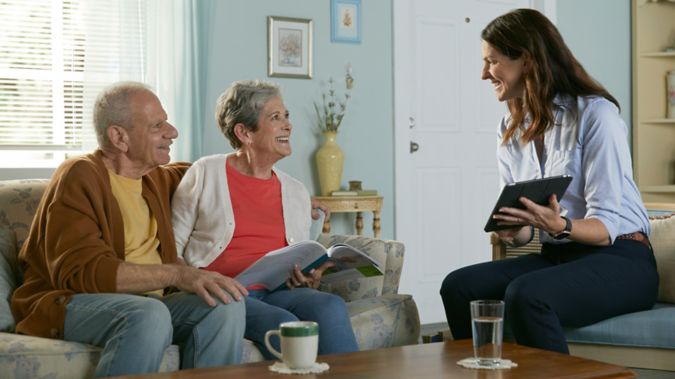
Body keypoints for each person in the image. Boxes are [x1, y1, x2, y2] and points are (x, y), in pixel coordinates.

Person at [439, 9, 658, 354]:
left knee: (528, 294)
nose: (484, 73)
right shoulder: (508, 130)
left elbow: (605, 228)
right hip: (560, 257)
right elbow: (529, 229)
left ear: (526, 60)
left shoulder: (596, 115)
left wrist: (559, 224)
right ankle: (487, 371)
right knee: (459, 286)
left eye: (492, 61)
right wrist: (515, 230)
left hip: (622, 259)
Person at [10, 82, 247, 377]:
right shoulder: (79, 175)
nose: (172, 132)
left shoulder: (161, 178)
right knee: (149, 314)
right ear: (119, 137)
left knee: (224, 304)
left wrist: (299, 200)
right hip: (68, 302)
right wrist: (177, 273)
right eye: (157, 125)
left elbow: (229, 176)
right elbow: (83, 273)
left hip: (150, 303)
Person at [171, 79, 358, 359]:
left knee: (329, 306)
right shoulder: (205, 173)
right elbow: (171, 246)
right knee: (284, 324)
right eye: (275, 117)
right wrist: (194, 278)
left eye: (286, 116)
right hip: (223, 294)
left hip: (275, 291)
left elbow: (297, 256)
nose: (288, 125)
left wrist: (306, 276)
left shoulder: (295, 190)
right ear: (244, 132)